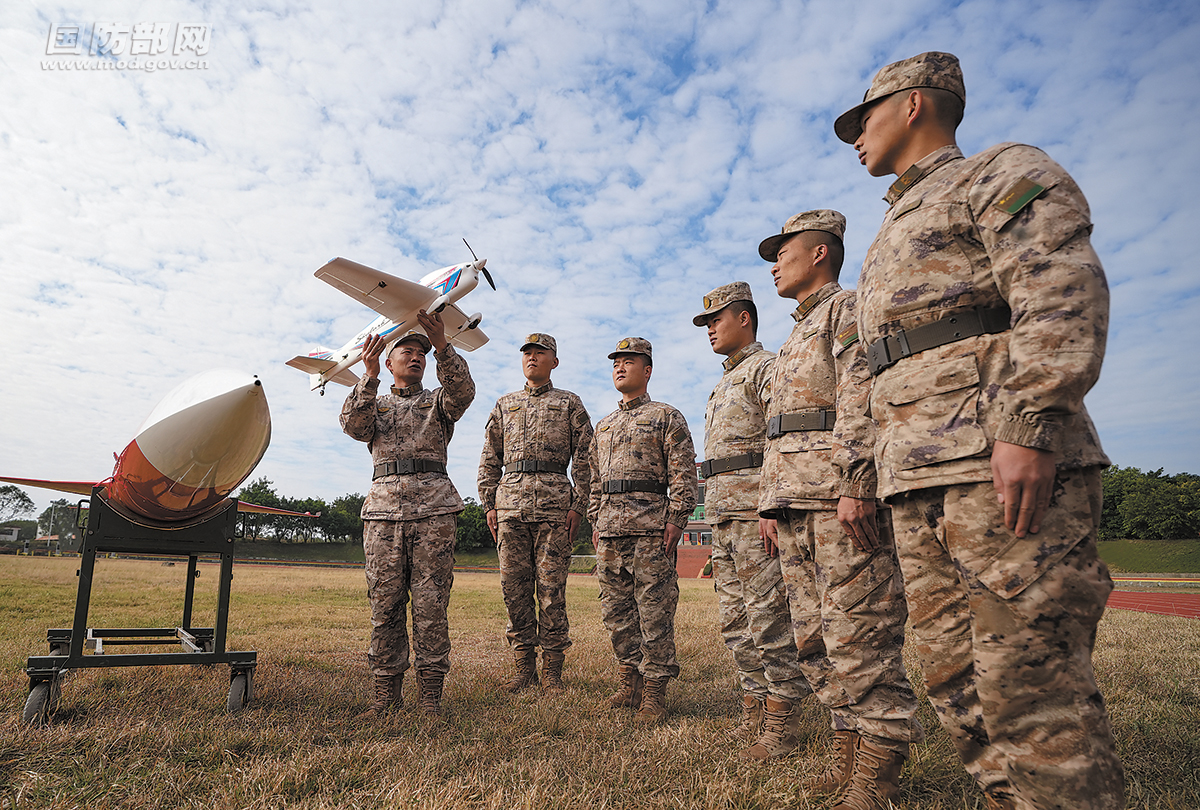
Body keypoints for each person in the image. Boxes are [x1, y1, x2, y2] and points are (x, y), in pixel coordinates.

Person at [836, 51, 1124, 810]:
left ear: (912, 106)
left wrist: (1031, 423)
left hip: (993, 463)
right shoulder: (891, 228)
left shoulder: (996, 173)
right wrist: (865, 475)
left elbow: (1059, 288)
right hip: (916, 477)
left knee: (1033, 690)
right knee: (955, 684)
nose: (854, 136)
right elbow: (876, 365)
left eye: (862, 117)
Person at [756, 210, 922, 809]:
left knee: (861, 637)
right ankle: (850, 758)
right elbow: (780, 432)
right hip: (795, 503)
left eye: (784, 250)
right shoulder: (795, 335)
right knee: (815, 641)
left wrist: (858, 481)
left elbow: (860, 393)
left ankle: (876, 781)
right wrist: (771, 504)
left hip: (837, 501)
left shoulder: (845, 310)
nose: (775, 262)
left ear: (820, 253)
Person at [693, 282, 810, 759]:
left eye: (716, 320)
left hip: (753, 515)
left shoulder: (766, 368)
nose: (710, 330)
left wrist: (771, 505)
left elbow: (780, 437)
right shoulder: (724, 382)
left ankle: (781, 722)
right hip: (723, 516)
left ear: (744, 318)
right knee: (735, 622)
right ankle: (754, 708)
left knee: (768, 619)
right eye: (706, 324)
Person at [340, 310, 475, 718]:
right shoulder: (375, 404)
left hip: (434, 513)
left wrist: (442, 348)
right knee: (385, 605)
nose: (415, 357)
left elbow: (463, 393)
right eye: (407, 351)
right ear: (390, 360)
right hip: (383, 516)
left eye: (420, 352)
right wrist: (368, 375)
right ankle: (386, 698)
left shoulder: (438, 402)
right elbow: (352, 424)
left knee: (431, 605)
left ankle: (430, 698)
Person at [588, 337, 698, 725]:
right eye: (616, 362)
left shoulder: (666, 416)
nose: (620, 367)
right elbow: (593, 481)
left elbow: (684, 473)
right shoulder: (603, 426)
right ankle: (628, 681)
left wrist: (676, 519)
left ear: (647, 370)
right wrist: (595, 521)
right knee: (616, 613)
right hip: (610, 532)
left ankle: (654, 693)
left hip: (651, 530)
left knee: (654, 613)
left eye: (629, 361)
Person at [477, 333, 594, 694]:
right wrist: (489, 502)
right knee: (514, 589)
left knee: (551, 591)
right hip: (510, 507)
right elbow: (489, 457)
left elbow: (587, 457)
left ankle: (553, 673)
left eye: (540, 352)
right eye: (527, 352)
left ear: (553, 361)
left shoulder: (569, 403)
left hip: (554, 509)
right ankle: (524, 667)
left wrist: (579, 504)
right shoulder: (504, 404)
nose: (532, 357)